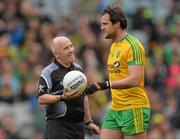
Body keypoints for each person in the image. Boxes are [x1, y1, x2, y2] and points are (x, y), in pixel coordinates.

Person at [84, 5, 151, 139]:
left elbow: (134, 79)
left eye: (105, 24)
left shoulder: (133, 46)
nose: (102, 27)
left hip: (133, 108)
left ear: (117, 24)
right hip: (115, 108)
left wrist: (105, 84)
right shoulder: (114, 46)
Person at [37, 36, 100, 139]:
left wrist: (89, 122)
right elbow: (41, 98)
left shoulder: (78, 69)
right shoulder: (48, 72)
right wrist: (62, 97)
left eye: (71, 46)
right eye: (66, 48)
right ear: (56, 54)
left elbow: (84, 96)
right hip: (58, 126)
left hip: (78, 126)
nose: (71, 50)